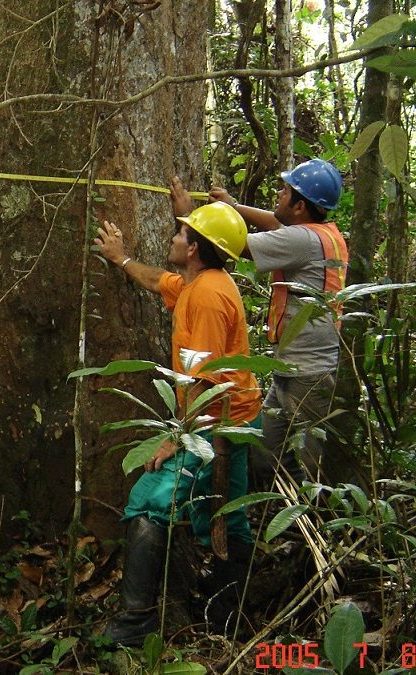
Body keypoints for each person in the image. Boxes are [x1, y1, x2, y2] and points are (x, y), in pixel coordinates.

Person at [94, 194, 262, 645]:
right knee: (228, 515)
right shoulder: (201, 282)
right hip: (236, 416)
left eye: (180, 232)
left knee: (149, 503)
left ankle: (136, 621)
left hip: (214, 425)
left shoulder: (207, 297)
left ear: (193, 248)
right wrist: (122, 258)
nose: (172, 235)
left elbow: (203, 376)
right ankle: (229, 613)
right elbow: (159, 281)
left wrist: (176, 437)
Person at [203, 158, 348, 486]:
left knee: (311, 464)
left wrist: (193, 218)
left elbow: (232, 244)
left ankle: (317, 523)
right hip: (296, 368)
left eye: (284, 192)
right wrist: (233, 206)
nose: (277, 195)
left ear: (299, 206)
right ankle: (294, 512)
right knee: (266, 452)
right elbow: (277, 224)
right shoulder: (324, 234)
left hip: (308, 375)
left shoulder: (302, 242)